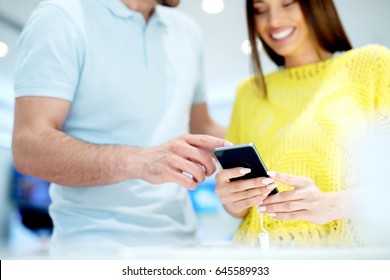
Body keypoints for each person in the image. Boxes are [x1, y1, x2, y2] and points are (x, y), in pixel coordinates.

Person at [12, 0, 230, 255]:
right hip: (94, 249)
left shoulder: (187, 31)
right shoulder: (61, 16)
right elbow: (29, 146)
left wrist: (277, 141)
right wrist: (139, 161)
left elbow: (202, 125)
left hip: (183, 244)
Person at [215, 0, 390, 247]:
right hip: (257, 260)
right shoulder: (249, 93)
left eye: (287, 3)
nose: (273, 21)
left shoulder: (373, 66)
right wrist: (232, 201)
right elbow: (241, 209)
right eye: (260, 10)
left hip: (346, 259)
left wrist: (333, 205)